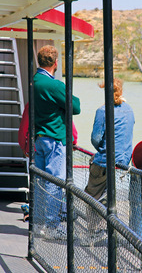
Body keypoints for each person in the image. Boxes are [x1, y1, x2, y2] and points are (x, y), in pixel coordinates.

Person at [33, 45, 80, 239]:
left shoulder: (35, 80)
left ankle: (37, 224)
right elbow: (75, 106)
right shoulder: (54, 85)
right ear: (55, 63)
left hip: (40, 139)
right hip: (54, 141)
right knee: (55, 183)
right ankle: (52, 227)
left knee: (40, 182)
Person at [82, 78, 135, 246]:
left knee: (90, 197)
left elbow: (96, 139)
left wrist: (100, 151)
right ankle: (109, 227)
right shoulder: (129, 110)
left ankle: (93, 232)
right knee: (108, 196)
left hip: (105, 162)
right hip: (122, 163)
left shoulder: (103, 110)